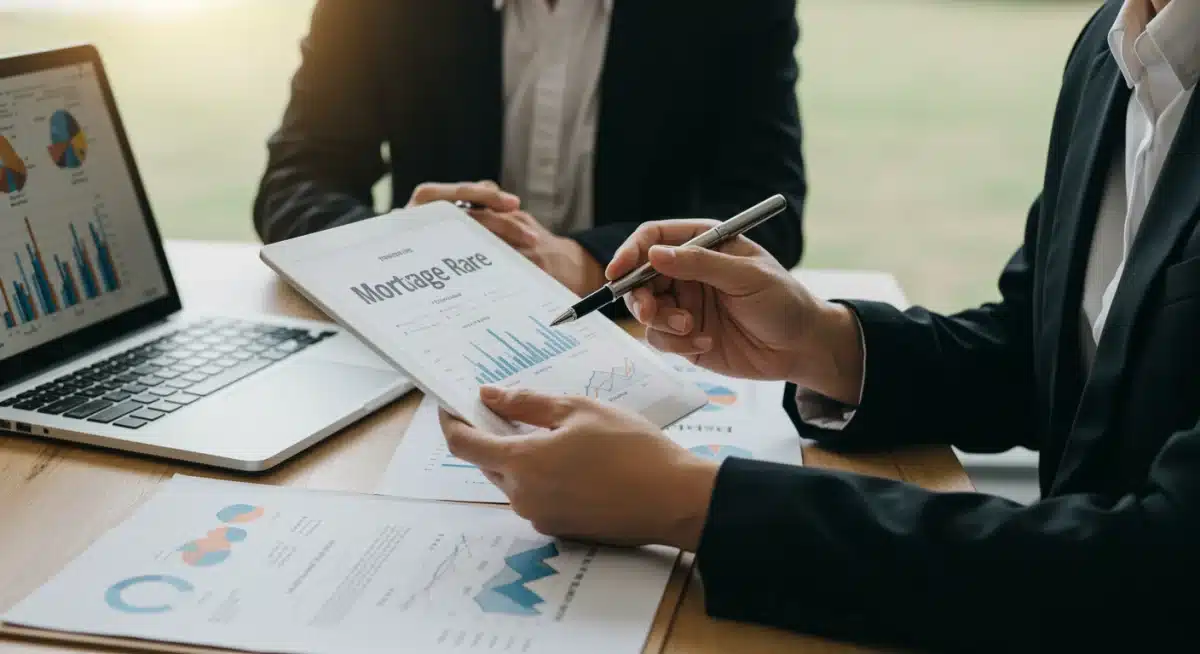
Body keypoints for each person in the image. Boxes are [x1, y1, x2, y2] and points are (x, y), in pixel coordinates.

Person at [437, 0, 1200, 650]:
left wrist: (691, 501)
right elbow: (1046, 354)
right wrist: (824, 341)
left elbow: (1160, 570)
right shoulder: (1116, 43)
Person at [253, 0, 806, 297]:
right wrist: (398, 248)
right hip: (430, 333)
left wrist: (589, 263)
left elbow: (768, 212)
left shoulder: (737, 8)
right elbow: (295, 182)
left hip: (642, 330)